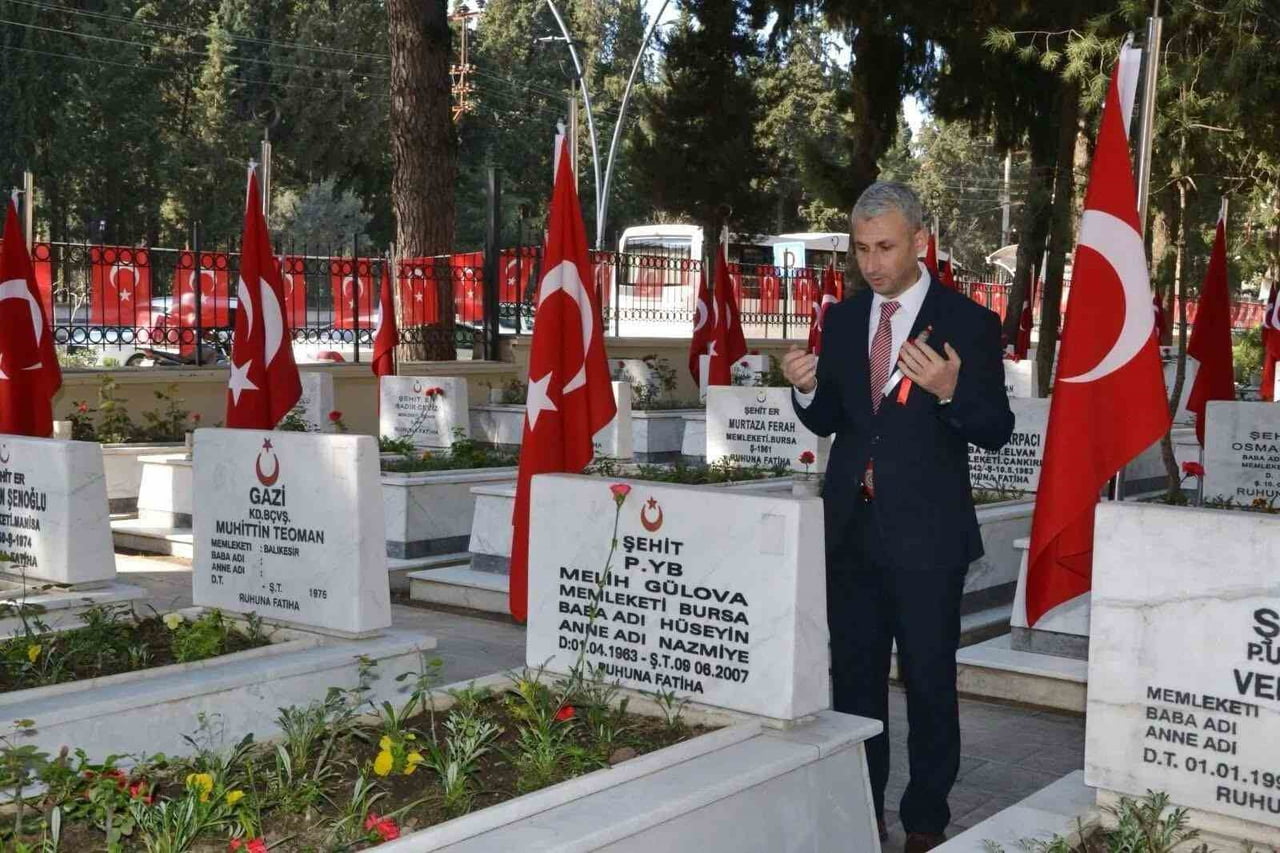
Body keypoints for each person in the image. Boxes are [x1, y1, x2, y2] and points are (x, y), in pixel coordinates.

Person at [783, 181, 1013, 853]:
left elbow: (995, 427)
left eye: (885, 247)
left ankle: (924, 820)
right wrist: (805, 387)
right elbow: (836, 419)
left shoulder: (969, 323)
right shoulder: (848, 319)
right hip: (851, 532)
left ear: (920, 241)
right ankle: (863, 803)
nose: (873, 263)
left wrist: (949, 392)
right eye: (861, 249)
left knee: (929, 679)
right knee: (854, 682)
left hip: (928, 539)